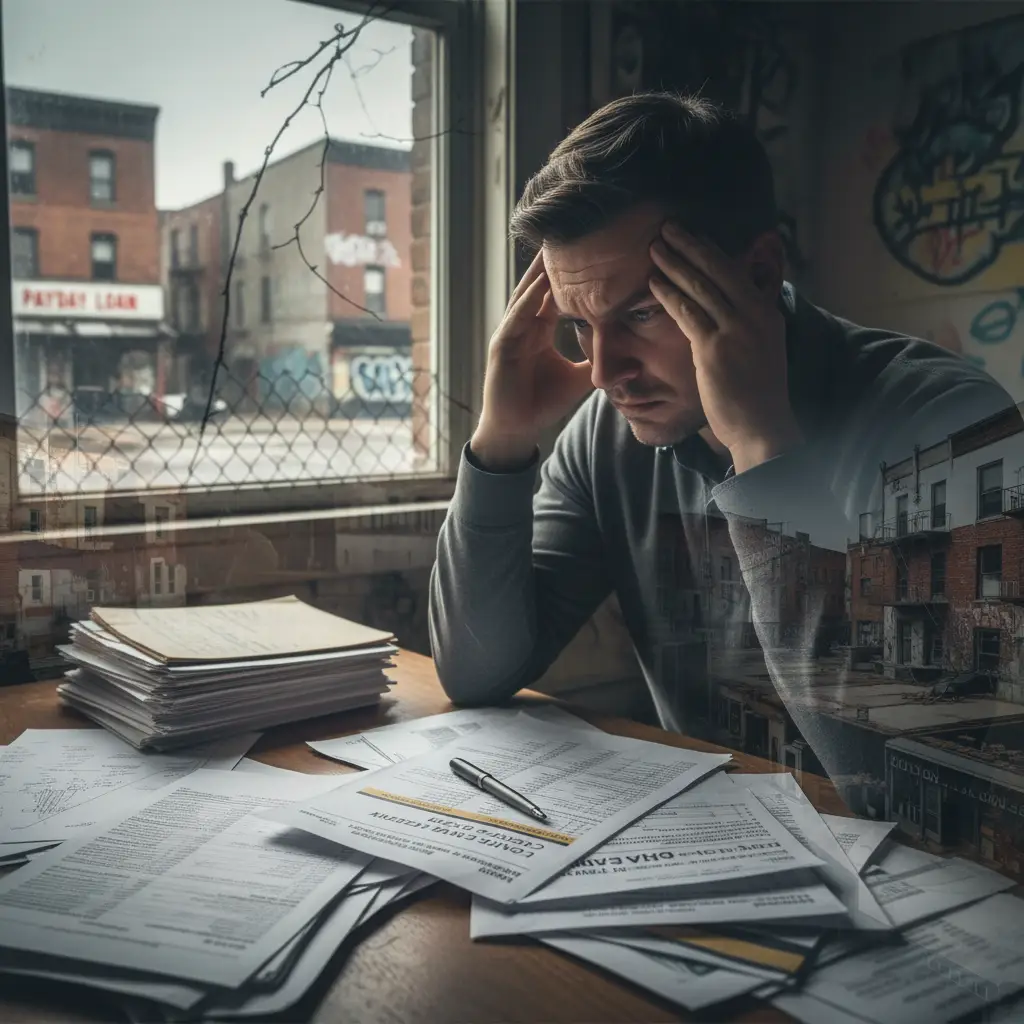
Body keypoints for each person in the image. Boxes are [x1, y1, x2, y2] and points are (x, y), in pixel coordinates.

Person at [428, 92, 1016, 792]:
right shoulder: (607, 433)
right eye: (580, 326)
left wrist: (761, 445)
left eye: (642, 312)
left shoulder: (945, 424)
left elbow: (896, 780)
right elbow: (475, 671)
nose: (606, 371)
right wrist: (501, 442)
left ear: (760, 274)